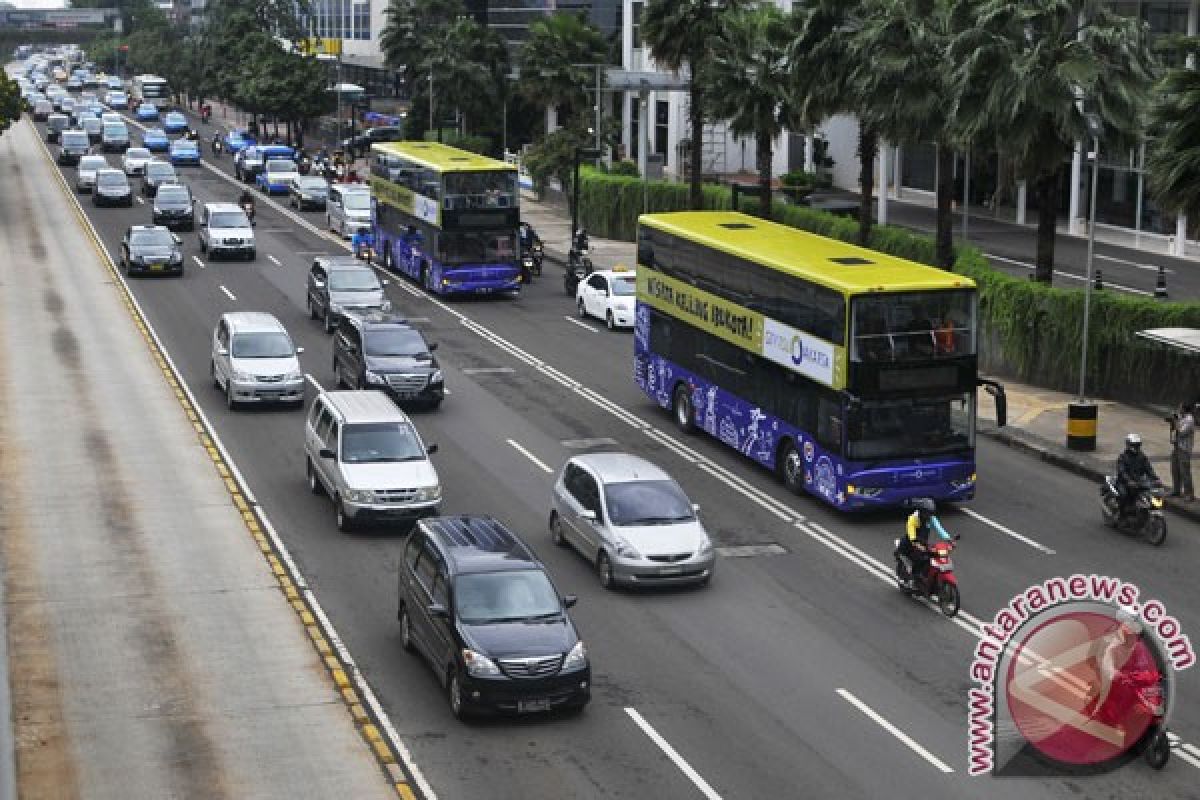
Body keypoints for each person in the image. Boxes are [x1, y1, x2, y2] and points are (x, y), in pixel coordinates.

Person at [898, 498, 952, 590]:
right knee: (918, 560)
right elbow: (912, 535)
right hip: (909, 545)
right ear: (922, 511)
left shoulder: (931, 518)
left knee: (932, 557)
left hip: (923, 544)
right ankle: (912, 581)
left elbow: (939, 529)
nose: (930, 515)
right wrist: (917, 544)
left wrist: (949, 539)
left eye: (931, 513)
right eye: (928, 513)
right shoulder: (913, 519)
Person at [1116, 433, 1160, 515]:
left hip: (1139, 482)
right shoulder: (1122, 457)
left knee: (1149, 495)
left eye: (1138, 445)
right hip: (1124, 482)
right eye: (1134, 445)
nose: (1136, 447)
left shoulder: (1142, 456)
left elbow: (1149, 469)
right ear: (1129, 445)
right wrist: (1129, 480)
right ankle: (1121, 516)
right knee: (1124, 495)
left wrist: (1156, 478)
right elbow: (1122, 471)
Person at [1169, 403, 1195, 500]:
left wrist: (1175, 422)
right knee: (1175, 469)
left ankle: (1189, 494)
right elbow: (1175, 429)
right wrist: (1173, 422)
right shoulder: (1182, 417)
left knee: (1185, 472)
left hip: (1184, 449)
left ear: (1184, 409)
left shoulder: (1189, 420)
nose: (1179, 409)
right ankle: (1176, 490)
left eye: (1180, 408)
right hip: (1177, 447)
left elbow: (1181, 432)